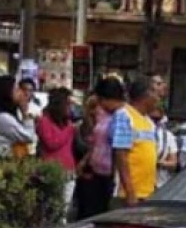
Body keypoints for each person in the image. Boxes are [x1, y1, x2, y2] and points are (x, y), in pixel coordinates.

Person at [111, 78, 159, 207]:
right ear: (145, 95)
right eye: (154, 92)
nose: (158, 98)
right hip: (127, 194)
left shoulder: (149, 122)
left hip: (147, 193)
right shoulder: (124, 115)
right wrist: (130, 192)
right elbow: (121, 155)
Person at [74, 82, 119, 219]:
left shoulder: (115, 118)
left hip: (108, 174)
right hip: (95, 172)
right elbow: (96, 144)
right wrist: (84, 161)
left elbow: (117, 148)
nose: (97, 109)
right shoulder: (95, 122)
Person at [37, 88, 77, 217]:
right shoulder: (44, 122)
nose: (70, 107)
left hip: (69, 171)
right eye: (68, 103)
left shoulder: (67, 122)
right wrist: (70, 130)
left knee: (64, 210)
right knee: (53, 209)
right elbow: (52, 143)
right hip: (53, 171)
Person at [0, 75, 37, 158]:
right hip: (0, 161)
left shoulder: (9, 113)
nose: (21, 92)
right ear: (6, 92)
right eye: (16, 89)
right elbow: (29, 137)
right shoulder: (3, 117)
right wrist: (25, 114)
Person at [149, 104, 179, 188]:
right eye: (152, 118)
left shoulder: (168, 136)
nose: (154, 122)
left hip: (161, 183)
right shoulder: (140, 131)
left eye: (157, 119)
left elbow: (174, 163)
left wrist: (160, 163)